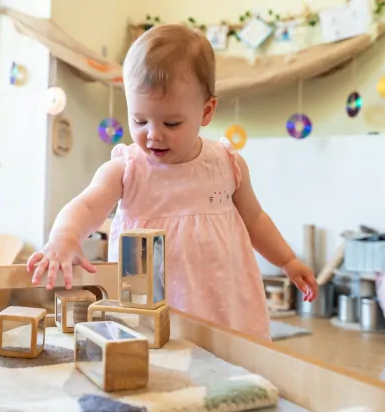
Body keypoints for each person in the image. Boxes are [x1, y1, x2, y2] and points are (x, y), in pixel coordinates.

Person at [27, 23, 317, 341]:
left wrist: (287, 260)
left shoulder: (227, 164)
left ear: (206, 111)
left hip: (222, 299)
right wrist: (64, 237)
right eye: (139, 120)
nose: (153, 134)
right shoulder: (127, 169)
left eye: (171, 122)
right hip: (150, 301)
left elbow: (256, 219)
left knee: (229, 360)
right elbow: (86, 205)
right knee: (154, 359)